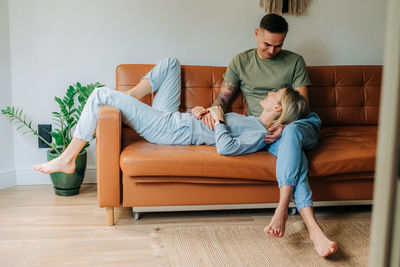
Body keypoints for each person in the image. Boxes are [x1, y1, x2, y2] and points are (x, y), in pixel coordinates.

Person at [195, 14, 338, 257]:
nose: (272, 50)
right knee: (294, 158)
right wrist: (210, 110)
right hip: (268, 131)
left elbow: (301, 106)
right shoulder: (241, 61)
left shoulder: (295, 61)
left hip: (301, 123)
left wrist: (285, 123)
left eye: (278, 45)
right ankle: (314, 229)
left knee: (291, 131)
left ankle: (281, 208)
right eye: (267, 44)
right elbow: (224, 98)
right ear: (256, 34)